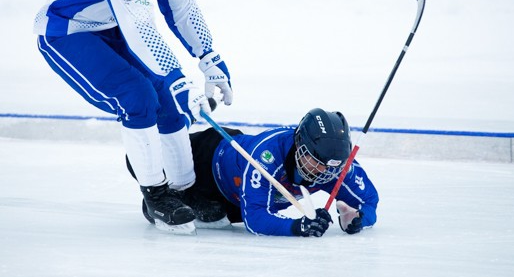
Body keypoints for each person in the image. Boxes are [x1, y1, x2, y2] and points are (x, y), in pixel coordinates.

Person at [33, 0, 232, 233]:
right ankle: (155, 195)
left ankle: (185, 188)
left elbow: (182, 10)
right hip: (67, 32)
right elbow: (140, 26)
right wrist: (180, 80)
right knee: (137, 96)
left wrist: (210, 60)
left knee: (167, 100)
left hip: (109, 29)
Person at [128, 108, 379, 236]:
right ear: (300, 145)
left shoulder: (334, 164)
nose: (325, 171)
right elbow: (256, 220)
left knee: (216, 215)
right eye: (317, 161)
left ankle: (191, 201)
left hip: (234, 201)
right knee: (139, 163)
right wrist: (298, 227)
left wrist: (356, 217)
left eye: (333, 165)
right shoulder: (267, 155)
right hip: (208, 158)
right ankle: (159, 198)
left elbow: (369, 201)